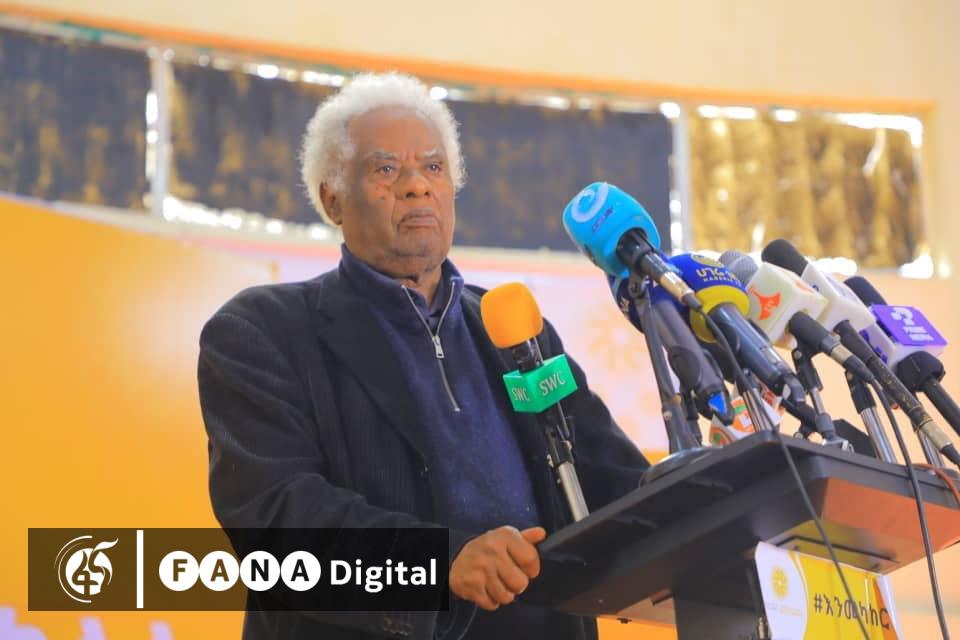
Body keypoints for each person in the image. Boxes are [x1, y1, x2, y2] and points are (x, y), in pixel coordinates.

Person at [198, 72, 649, 640]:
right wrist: (439, 566)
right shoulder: (263, 332)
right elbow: (276, 520)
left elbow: (613, 478)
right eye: (386, 170)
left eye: (433, 167)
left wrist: (718, 486)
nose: (417, 186)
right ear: (332, 199)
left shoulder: (517, 332)